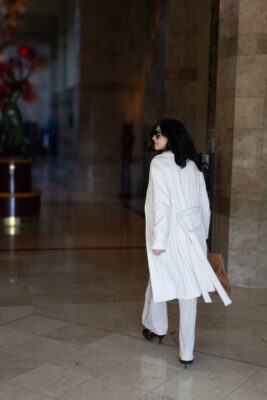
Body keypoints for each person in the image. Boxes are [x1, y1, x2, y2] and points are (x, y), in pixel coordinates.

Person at [142, 118, 232, 368]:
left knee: (159, 281)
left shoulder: (160, 164)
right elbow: (205, 206)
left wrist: (159, 240)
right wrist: (201, 238)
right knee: (187, 294)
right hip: (192, 236)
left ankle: (156, 328)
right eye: (154, 134)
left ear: (172, 136)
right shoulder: (193, 166)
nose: (154, 138)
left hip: (169, 237)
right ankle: (186, 352)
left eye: (158, 134)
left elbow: (162, 204)